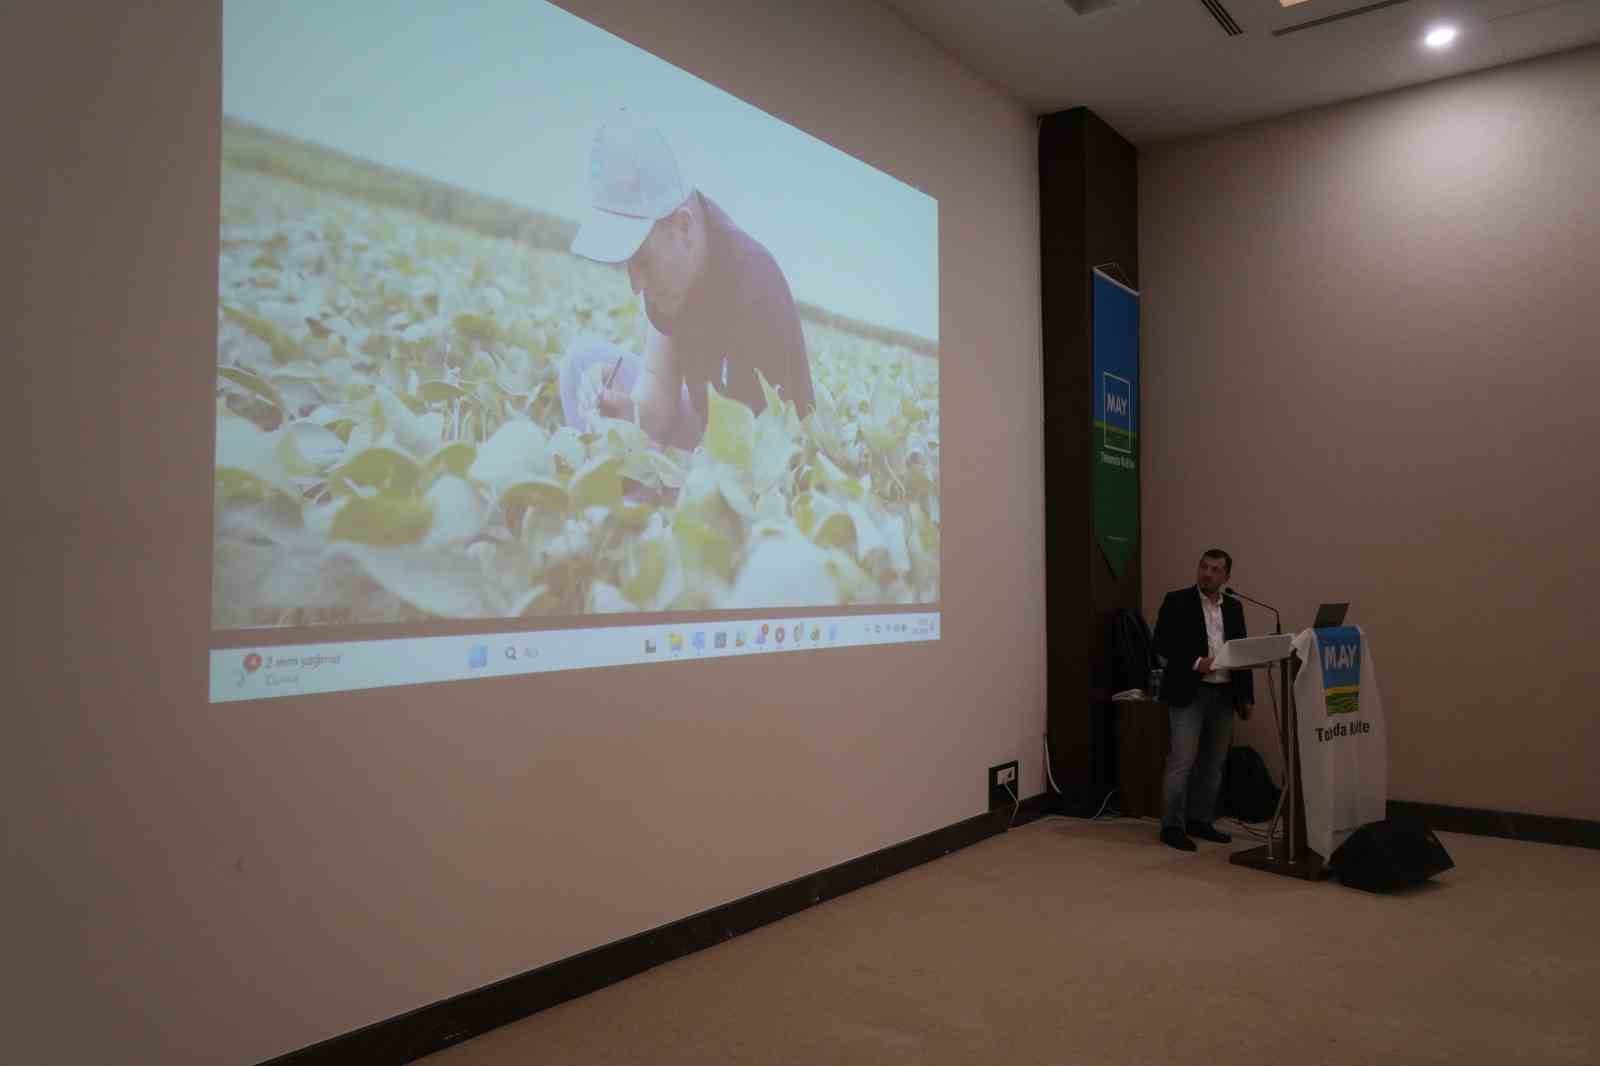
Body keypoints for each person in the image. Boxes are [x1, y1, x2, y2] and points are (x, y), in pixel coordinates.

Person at [560, 110, 815, 450]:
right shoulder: (672, 267)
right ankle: (602, 473)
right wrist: (626, 411)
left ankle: (620, 493)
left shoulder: (756, 294)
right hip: (703, 422)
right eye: (627, 264)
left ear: (683, 226)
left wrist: (662, 470)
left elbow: (751, 466)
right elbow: (660, 393)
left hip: (749, 455)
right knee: (581, 361)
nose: (636, 286)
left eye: (642, 261)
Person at [1151, 548, 1255, 852]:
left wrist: (1245, 696)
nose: (1207, 574)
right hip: (1189, 691)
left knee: (1213, 763)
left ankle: (1200, 820)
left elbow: (1242, 652)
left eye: (1215, 570)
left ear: (1226, 577)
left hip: (1224, 693)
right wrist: (1197, 662)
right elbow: (1161, 644)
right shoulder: (1177, 601)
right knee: (1182, 760)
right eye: (1204, 567)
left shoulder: (1234, 607)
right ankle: (1171, 825)